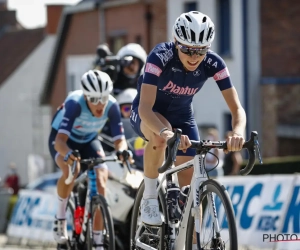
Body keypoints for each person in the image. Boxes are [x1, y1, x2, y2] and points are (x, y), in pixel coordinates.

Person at [129, 10, 246, 230]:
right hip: (149, 113)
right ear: (176, 43)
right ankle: (150, 198)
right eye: (188, 50)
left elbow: (237, 108)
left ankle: (193, 237)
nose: (194, 57)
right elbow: (145, 108)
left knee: (192, 190)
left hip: (183, 118)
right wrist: (166, 132)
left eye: (200, 51)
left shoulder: (214, 63)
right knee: (160, 138)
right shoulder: (160, 56)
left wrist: (237, 131)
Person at [48, 69, 132, 249]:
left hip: (88, 141)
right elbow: (59, 143)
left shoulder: (112, 105)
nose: (99, 104)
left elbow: (119, 140)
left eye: (103, 98)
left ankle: (97, 240)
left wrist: (122, 151)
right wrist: (69, 155)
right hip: (64, 140)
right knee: (72, 169)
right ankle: (60, 217)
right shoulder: (74, 104)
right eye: (93, 99)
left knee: (101, 179)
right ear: (85, 96)